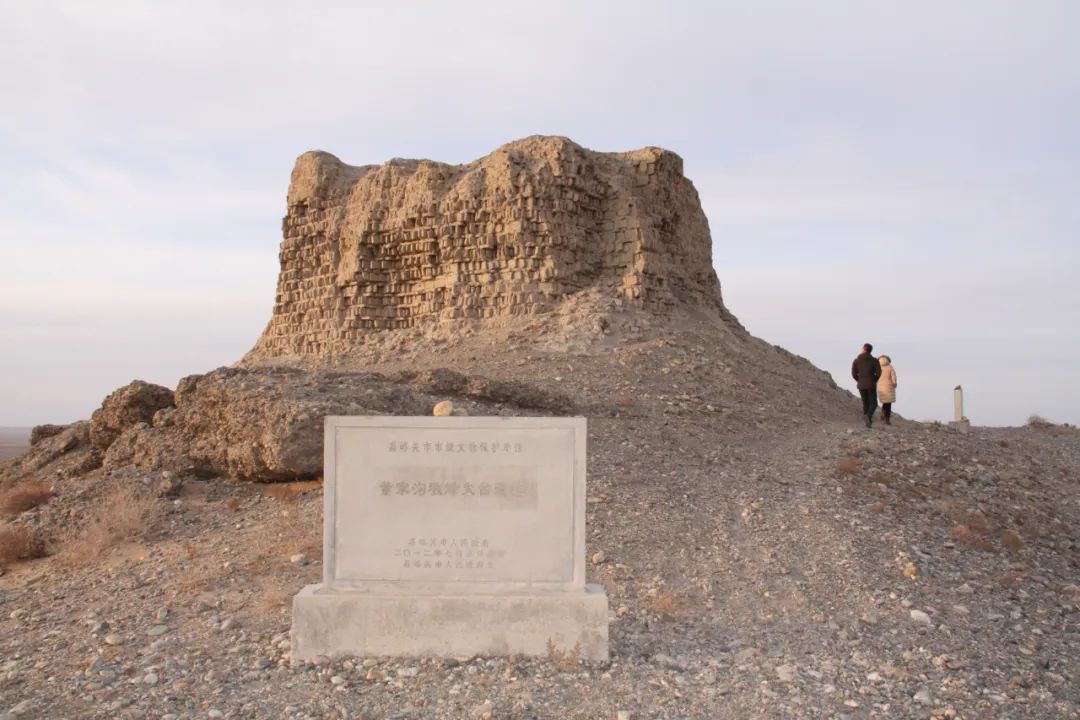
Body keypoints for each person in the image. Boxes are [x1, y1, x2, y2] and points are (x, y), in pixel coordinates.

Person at [851, 343, 881, 428]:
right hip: (871, 384)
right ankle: (868, 417)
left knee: (865, 403)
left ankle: (867, 421)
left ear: (864, 349)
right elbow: (879, 373)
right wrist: (873, 380)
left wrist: (859, 380)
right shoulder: (874, 360)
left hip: (861, 385)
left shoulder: (856, 360)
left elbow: (853, 373)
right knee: (873, 403)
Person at [877, 355, 897, 424]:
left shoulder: (878, 367)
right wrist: (894, 384)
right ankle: (887, 419)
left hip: (880, 386)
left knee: (885, 401)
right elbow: (893, 376)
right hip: (889, 386)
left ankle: (883, 413)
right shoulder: (890, 367)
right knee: (888, 403)